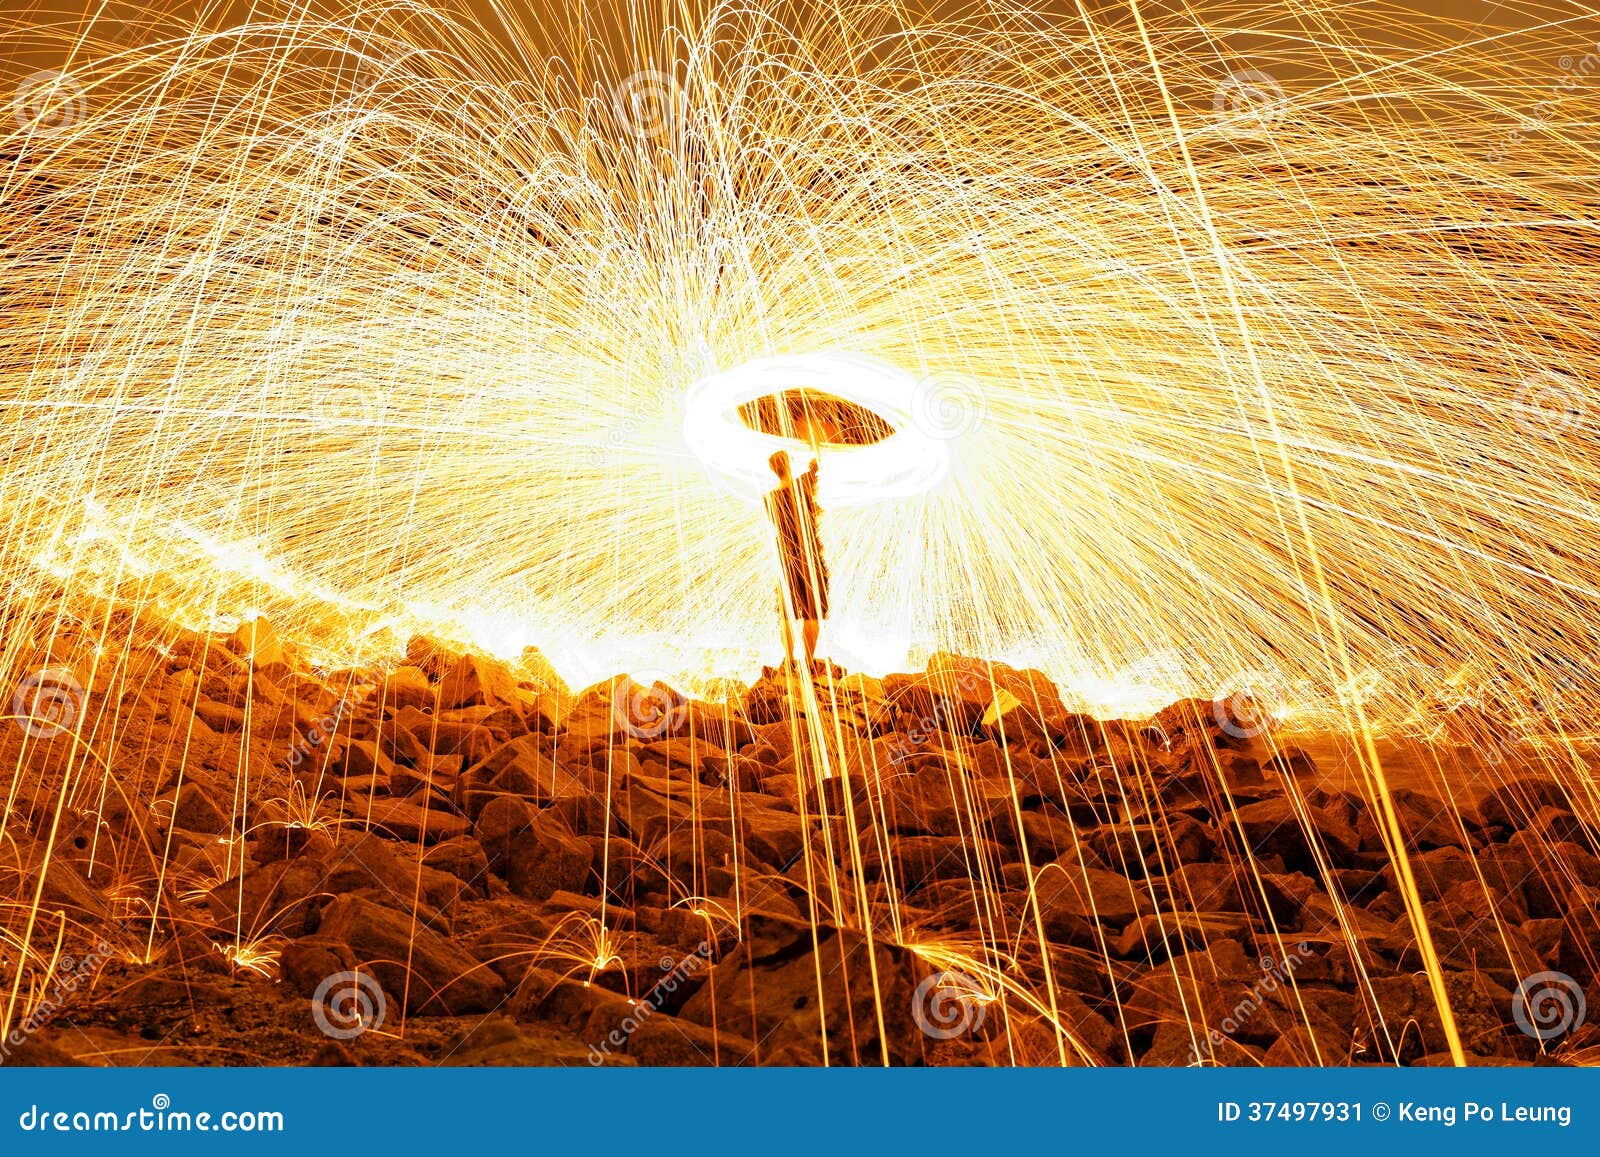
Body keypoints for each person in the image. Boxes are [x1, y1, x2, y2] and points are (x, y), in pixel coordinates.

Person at [764, 449, 828, 671]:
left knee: (787, 610)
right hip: (809, 558)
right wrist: (815, 444)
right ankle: (808, 661)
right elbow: (815, 467)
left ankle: (790, 660)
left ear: (773, 469)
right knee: (813, 609)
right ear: (788, 464)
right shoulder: (801, 485)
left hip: (786, 559)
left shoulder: (769, 499)